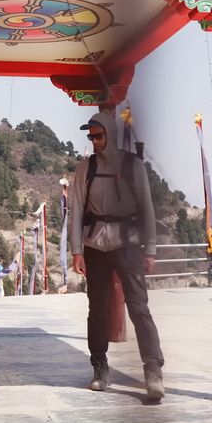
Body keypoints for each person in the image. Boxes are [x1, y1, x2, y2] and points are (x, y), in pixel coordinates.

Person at [68, 112, 165, 402]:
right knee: (97, 309)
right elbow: (75, 210)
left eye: (99, 136)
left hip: (129, 244)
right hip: (96, 245)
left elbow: (147, 208)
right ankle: (99, 366)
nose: (95, 142)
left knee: (138, 306)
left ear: (110, 133)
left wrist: (150, 248)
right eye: (91, 137)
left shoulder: (133, 166)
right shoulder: (85, 169)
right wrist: (76, 250)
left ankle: (153, 369)